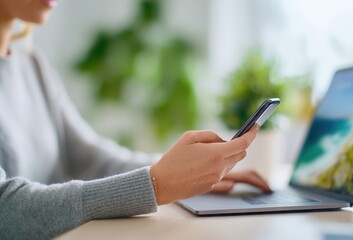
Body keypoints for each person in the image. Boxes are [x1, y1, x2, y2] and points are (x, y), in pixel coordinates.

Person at [0, 0, 272, 239]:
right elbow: (6, 211)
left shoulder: (32, 64)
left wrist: (188, 173)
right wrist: (156, 184)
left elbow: (95, 160)